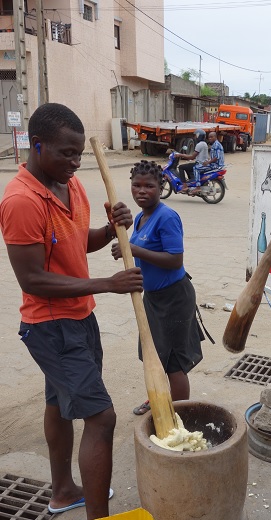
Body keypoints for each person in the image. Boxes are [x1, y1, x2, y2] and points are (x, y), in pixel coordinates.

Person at [0, 103, 143, 520]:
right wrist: (107, 284)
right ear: (37, 145)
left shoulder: (71, 184)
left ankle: (63, 491)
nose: (75, 163)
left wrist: (114, 227)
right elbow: (33, 279)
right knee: (102, 416)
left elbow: (77, 242)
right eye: (66, 153)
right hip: (50, 326)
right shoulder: (22, 201)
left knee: (59, 405)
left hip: (80, 316)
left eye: (79, 154)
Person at [111, 160, 203, 416]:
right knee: (155, 355)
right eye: (136, 185)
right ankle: (158, 398)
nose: (141, 191)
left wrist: (132, 249)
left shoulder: (167, 217)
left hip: (174, 298)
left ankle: (179, 414)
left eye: (149, 186)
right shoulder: (141, 217)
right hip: (153, 299)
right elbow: (140, 257)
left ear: (161, 188)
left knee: (174, 363)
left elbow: (175, 260)